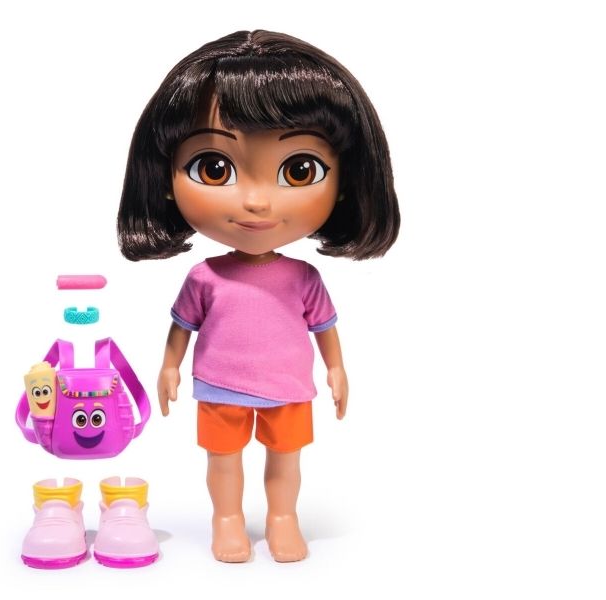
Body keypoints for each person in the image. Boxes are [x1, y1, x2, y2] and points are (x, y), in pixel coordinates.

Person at [117, 30, 400, 563]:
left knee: (285, 458)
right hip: (219, 382)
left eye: (298, 170)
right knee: (223, 459)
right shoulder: (205, 276)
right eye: (214, 168)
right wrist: (170, 366)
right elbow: (183, 326)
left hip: (288, 385)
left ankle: (282, 518)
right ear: (165, 178)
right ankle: (227, 519)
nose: (255, 201)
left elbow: (323, 327)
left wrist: (337, 369)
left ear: (344, 181)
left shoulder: (303, 277)